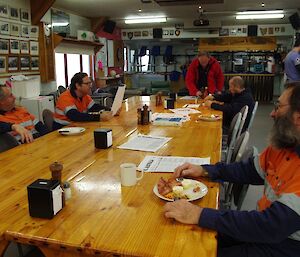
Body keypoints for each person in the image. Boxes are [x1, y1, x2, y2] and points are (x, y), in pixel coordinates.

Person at [164, 82, 300, 257]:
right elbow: (248, 170)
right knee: (187, 238)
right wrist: (204, 170)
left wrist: (200, 214)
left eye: (279, 107)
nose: (272, 113)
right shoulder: (286, 145)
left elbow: (271, 226)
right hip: (267, 231)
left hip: (287, 246)